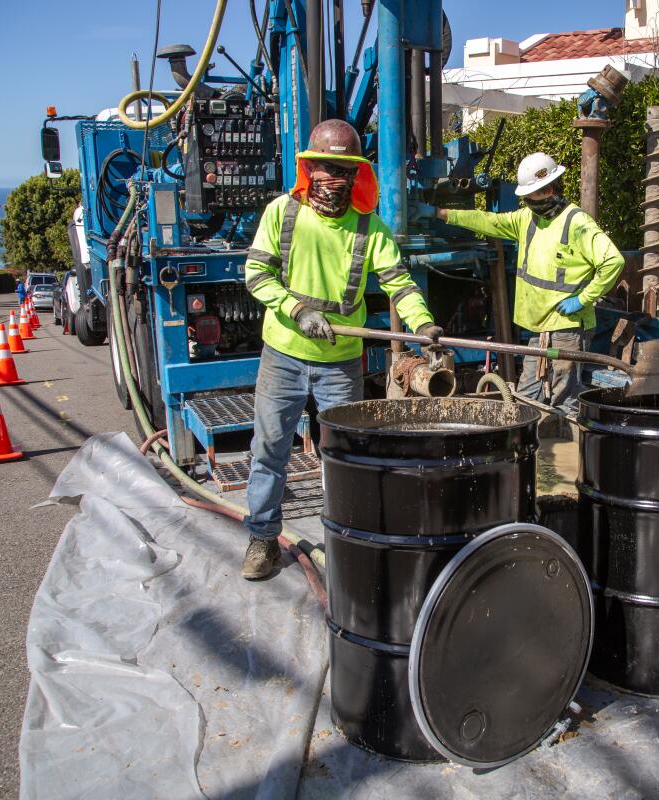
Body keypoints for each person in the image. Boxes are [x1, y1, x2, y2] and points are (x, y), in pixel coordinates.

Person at [241, 119, 442, 580]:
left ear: (357, 175)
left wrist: (424, 323)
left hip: (339, 365)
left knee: (345, 456)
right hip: (284, 355)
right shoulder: (282, 214)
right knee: (270, 449)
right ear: (310, 169)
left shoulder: (371, 228)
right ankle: (262, 540)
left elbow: (398, 283)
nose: (336, 180)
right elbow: (256, 276)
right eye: (327, 169)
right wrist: (296, 310)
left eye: (345, 171)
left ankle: (346, 543)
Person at [412, 152, 624, 413]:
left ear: (548, 189)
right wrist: (438, 213)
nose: (526, 201)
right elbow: (487, 221)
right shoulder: (528, 220)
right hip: (539, 328)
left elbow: (613, 261)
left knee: (564, 398)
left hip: (568, 328)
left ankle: (569, 448)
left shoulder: (577, 222)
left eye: (531, 195)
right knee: (527, 396)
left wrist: (583, 299)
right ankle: (531, 449)